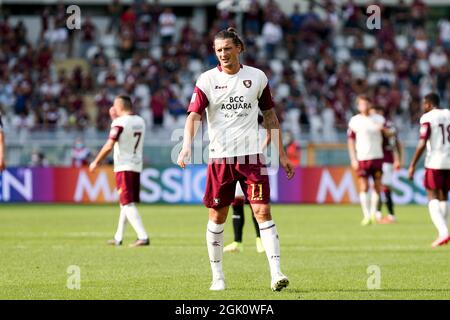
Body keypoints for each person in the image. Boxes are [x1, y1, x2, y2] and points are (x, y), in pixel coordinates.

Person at [177, 28, 294, 292]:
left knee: (262, 211)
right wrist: (186, 147)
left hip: (252, 158)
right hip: (220, 160)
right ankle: (217, 277)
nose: (223, 54)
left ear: (239, 48)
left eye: (227, 48)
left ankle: (276, 273)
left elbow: (271, 117)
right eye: (218, 50)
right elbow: (194, 116)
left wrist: (282, 154)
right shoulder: (206, 80)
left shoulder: (257, 77)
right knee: (217, 217)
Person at [89, 95, 150, 248]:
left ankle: (142, 237)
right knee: (125, 204)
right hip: (136, 165)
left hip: (124, 166)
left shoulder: (119, 123)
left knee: (127, 203)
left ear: (119, 106)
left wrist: (96, 162)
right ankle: (118, 237)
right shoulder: (140, 121)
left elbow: (110, 145)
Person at [408, 93, 450, 248]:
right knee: (444, 196)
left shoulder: (428, 118)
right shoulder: (448, 114)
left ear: (427, 104)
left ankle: (443, 232)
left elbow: (422, 142)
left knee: (431, 195)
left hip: (435, 161)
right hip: (449, 160)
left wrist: (412, 164)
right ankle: (443, 232)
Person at [347, 95, 393, 226]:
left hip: (377, 156)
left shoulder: (379, 119)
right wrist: (353, 158)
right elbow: (350, 141)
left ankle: (373, 213)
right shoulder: (355, 121)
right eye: (362, 104)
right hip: (362, 157)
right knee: (364, 185)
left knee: (377, 185)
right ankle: (366, 215)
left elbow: (390, 134)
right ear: (358, 106)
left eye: (366, 104)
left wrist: (384, 130)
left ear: (370, 104)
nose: (364, 107)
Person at [370, 106, 402, 224]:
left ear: (381, 113)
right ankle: (377, 214)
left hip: (386, 160)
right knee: (377, 186)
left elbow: (394, 140)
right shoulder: (371, 125)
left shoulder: (387, 125)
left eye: (375, 113)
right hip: (374, 159)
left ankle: (390, 215)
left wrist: (397, 159)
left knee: (385, 186)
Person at [223, 184, 265, 253]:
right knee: (236, 205)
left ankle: (260, 241)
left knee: (256, 205)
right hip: (236, 175)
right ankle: (237, 242)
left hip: (253, 175)